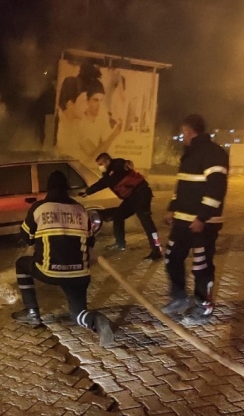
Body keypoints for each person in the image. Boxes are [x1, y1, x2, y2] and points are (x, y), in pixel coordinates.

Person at [13, 171, 114, 347]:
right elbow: (90, 241)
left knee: (21, 264)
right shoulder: (81, 210)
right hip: (79, 274)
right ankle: (95, 319)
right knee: (78, 314)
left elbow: (27, 237)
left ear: (48, 188)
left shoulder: (40, 208)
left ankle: (32, 313)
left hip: (49, 271)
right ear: (67, 188)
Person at [161, 114, 229, 326]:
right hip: (182, 221)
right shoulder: (189, 154)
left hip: (203, 223)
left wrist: (202, 217)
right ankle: (179, 297)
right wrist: (172, 208)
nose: (182, 137)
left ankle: (204, 306)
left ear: (190, 132)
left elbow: (217, 188)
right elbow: (182, 186)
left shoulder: (214, 153)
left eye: (183, 133)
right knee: (172, 258)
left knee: (201, 266)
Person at [79, 153, 163, 260]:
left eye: (101, 164)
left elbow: (123, 164)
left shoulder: (117, 164)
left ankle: (157, 249)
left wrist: (127, 164)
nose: (100, 166)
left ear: (107, 162)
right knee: (118, 216)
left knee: (146, 222)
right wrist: (87, 192)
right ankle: (120, 244)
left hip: (141, 194)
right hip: (131, 197)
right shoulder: (108, 175)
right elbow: (101, 183)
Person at [78, 79, 121, 163]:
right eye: (95, 100)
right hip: (82, 170)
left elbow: (108, 149)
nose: (99, 105)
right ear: (87, 101)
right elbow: (96, 155)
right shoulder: (80, 123)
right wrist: (114, 134)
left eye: (101, 100)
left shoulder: (101, 118)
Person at [55, 76, 87, 160]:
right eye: (82, 102)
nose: (86, 107)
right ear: (69, 104)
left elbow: (92, 153)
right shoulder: (55, 127)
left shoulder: (77, 124)